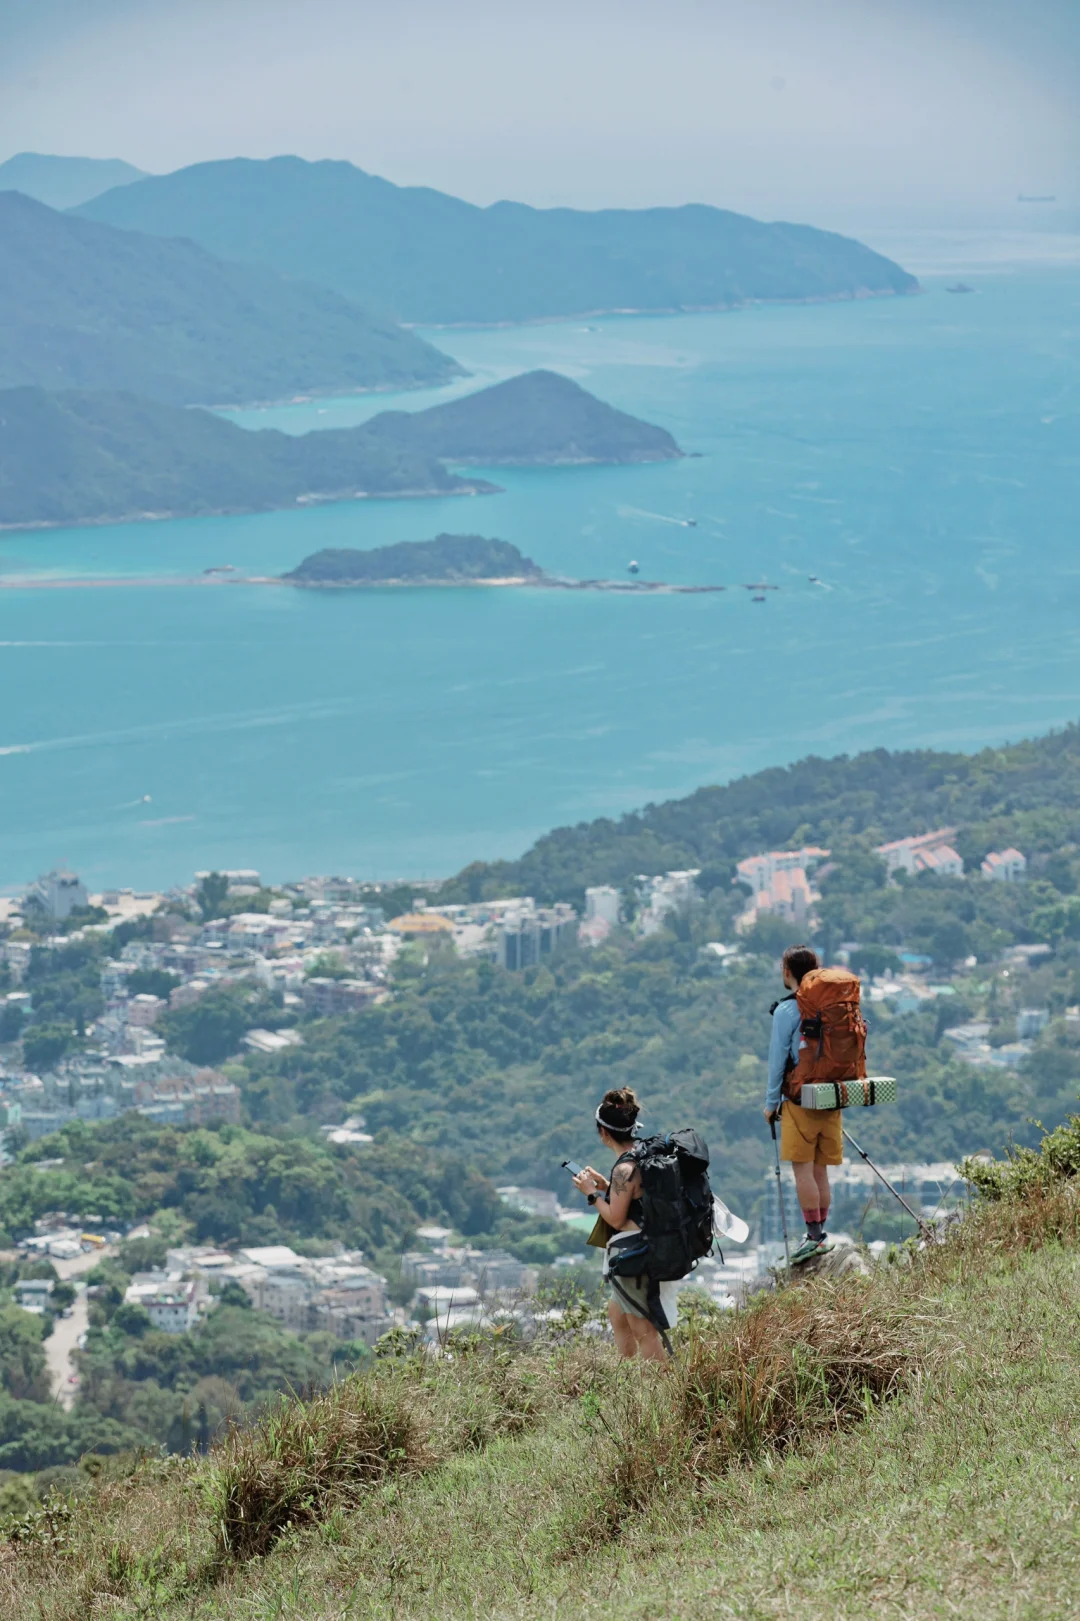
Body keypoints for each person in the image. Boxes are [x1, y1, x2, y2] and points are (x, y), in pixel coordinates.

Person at [572, 1087, 676, 1361]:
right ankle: (626, 1376)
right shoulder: (643, 1152)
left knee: (643, 1329)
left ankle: (662, 1389)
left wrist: (591, 1193)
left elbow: (616, 1218)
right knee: (617, 1314)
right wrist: (607, 1187)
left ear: (604, 1133)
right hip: (650, 1242)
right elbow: (635, 1199)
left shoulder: (623, 1169)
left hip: (633, 1253)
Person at [763, 944, 843, 1264]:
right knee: (820, 1170)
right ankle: (821, 1233)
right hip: (833, 1096)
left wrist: (771, 1103)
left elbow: (777, 1060)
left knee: (802, 1170)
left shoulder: (787, 1011)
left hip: (800, 1099)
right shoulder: (832, 1005)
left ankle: (814, 1236)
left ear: (787, 971)